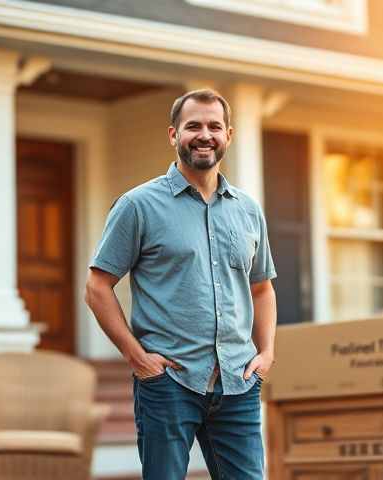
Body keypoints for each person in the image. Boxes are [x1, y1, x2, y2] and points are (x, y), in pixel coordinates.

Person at [84, 89, 278, 480]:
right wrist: (138, 358)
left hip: (238, 383)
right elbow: (97, 286)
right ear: (174, 135)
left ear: (229, 135)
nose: (204, 135)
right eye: (193, 126)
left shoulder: (248, 210)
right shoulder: (138, 206)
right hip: (168, 381)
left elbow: (262, 287)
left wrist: (266, 353)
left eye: (214, 126)